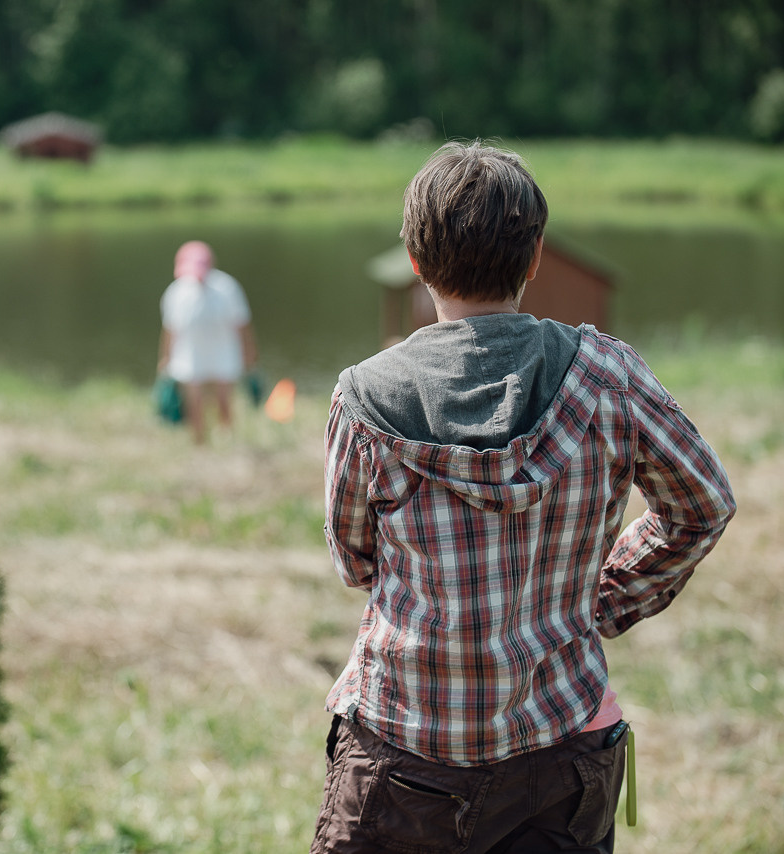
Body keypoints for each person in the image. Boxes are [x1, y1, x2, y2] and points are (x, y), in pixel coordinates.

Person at [310, 141, 736, 853]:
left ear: (415, 261)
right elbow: (703, 504)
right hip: (561, 751)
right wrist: (605, 597)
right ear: (535, 257)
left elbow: (356, 565)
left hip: (405, 750)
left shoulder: (364, 399)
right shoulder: (608, 375)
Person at [157, 240, 258, 444]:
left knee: (223, 399)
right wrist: (165, 357)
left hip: (223, 353)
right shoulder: (176, 291)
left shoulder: (227, 288)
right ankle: (199, 441)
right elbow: (169, 329)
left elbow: (243, 325)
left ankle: (227, 437)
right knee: (194, 401)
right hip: (190, 355)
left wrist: (249, 353)